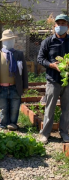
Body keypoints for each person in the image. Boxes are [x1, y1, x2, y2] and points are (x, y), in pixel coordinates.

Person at [37, 14, 69, 144]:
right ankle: (45, 134)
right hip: (52, 80)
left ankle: (64, 133)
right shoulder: (48, 42)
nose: (60, 26)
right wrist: (51, 65)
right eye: (58, 24)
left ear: (67, 26)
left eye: (63, 24)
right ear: (54, 26)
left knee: (67, 109)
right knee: (50, 108)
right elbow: (40, 59)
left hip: (67, 82)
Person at [0, 29, 28, 131]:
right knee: (3, 108)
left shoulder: (19, 54)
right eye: (7, 40)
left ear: (14, 41)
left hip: (15, 87)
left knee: (15, 108)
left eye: (11, 40)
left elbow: (24, 72)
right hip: (1, 88)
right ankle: (3, 123)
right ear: (3, 41)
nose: (9, 42)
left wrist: (25, 86)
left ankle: (13, 123)